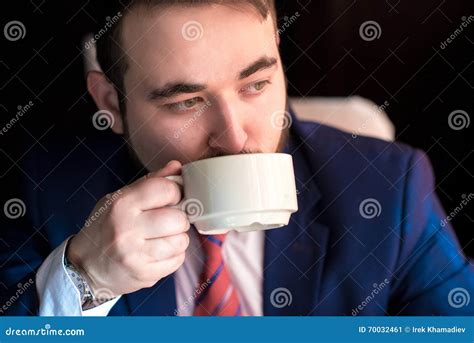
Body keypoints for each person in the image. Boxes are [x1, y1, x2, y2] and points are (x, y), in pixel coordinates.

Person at [1, 0, 472, 316]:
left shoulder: (389, 185)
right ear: (109, 103)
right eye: (185, 102)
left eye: (256, 84)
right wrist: (88, 280)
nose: (234, 136)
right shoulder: (41, 186)